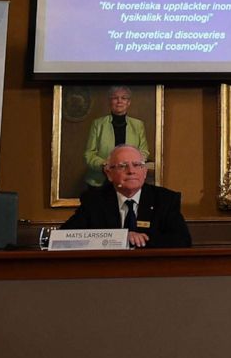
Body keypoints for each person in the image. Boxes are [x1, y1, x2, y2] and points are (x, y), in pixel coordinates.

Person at [63, 145, 191, 248]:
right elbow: (65, 237)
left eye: (137, 165)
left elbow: (182, 241)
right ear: (109, 173)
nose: (131, 171)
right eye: (123, 166)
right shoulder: (94, 200)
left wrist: (139, 240)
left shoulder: (165, 199)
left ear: (144, 172)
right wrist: (120, 238)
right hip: (105, 273)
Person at [83, 86, 149, 187]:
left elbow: (144, 152)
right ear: (110, 102)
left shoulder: (138, 125)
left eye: (124, 98)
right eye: (115, 98)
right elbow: (89, 154)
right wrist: (104, 164)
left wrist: (132, 164)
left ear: (128, 102)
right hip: (100, 181)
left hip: (130, 179)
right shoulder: (98, 124)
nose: (119, 101)